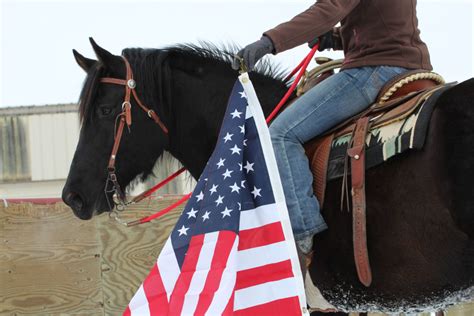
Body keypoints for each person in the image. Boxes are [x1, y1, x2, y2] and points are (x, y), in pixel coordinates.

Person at [232, 0, 432, 255]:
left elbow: (330, 8)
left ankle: (302, 235)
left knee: (280, 135)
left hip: (373, 70)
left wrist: (270, 41)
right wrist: (337, 38)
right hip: (412, 64)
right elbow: (387, 23)